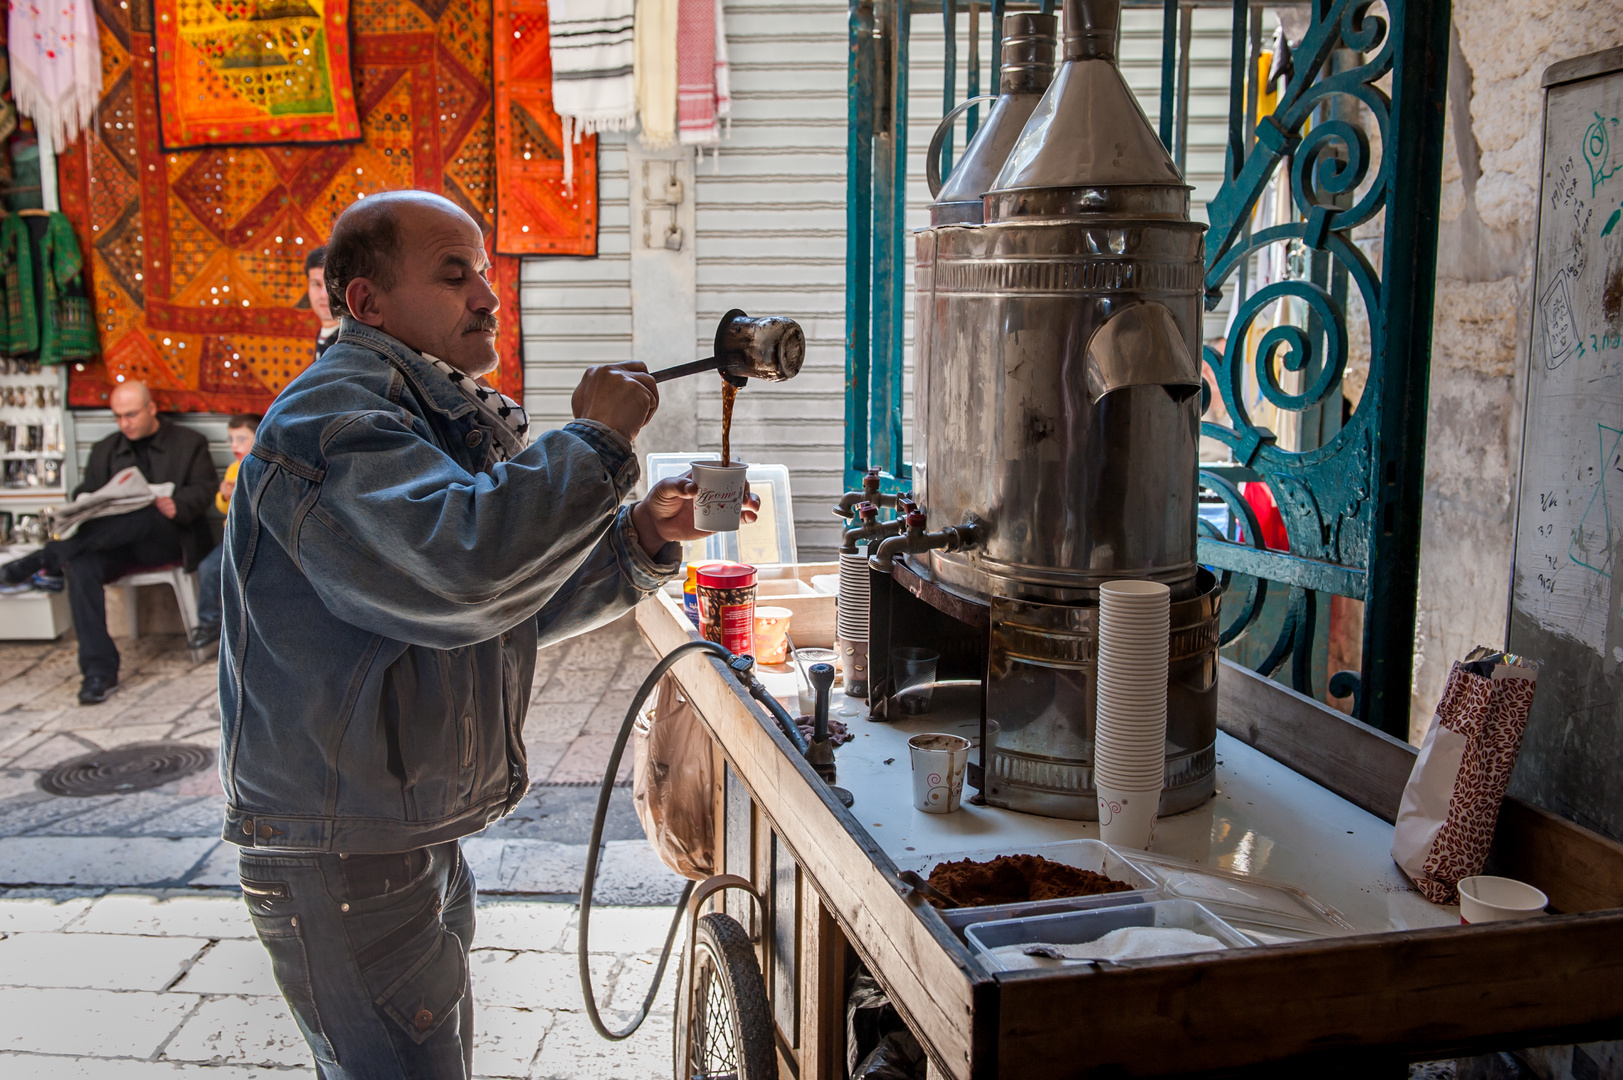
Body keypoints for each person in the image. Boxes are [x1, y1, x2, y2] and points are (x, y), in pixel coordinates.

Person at [221, 189, 757, 1078]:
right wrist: (592, 441)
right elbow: (466, 566)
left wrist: (641, 538)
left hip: (401, 830)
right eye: (454, 272)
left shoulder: (425, 418)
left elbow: (495, 605)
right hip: (343, 851)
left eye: (487, 270)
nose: (487, 294)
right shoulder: (336, 425)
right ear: (368, 304)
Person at [1, 381, 218, 703]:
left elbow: (205, 487)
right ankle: (98, 672)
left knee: (146, 514)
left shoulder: (189, 443)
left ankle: (43, 560)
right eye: (117, 416)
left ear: (151, 409)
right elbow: (86, 494)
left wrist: (179, 504)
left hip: (167, 540)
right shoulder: (105, 449)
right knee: (80, 565)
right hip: (114, 547)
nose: (124, 423)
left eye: (131, 415)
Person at [187, 413, 260, 651]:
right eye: (230, 439)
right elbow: (222, 509)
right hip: (233, 537)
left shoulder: (263, 467)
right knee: (208, 568)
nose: (234, 445)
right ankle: (209, 623)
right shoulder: (232, 469)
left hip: (259, 539)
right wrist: (224, 496)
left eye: (241, 439)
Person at [306, 245, 340, 360]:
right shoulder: (324, 335)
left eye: (331, 285)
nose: (324, 294)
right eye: (316, 284)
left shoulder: (355, 344)